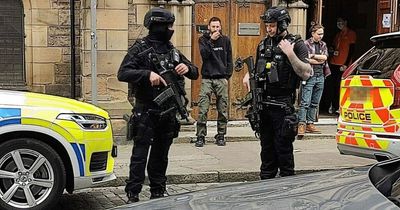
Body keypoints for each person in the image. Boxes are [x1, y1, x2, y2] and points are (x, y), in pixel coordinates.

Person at [118, 7, 198, 203]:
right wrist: (147, 75)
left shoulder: (172, 51)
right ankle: (133, 192)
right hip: (146, 110)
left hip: (168, 112)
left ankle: (158, 189)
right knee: (140, 154)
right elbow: (123, 73)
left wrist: (186, 67)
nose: (171, 29)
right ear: (157, 26)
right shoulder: (140, 49)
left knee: (161, 155)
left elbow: (195, 72)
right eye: (168, 26)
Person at [242, 7, 312, 179]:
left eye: (272, 25)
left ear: (282, 24)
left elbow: (306, 72)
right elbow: (259, 67)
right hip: (264, 105)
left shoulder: (297, 43)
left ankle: (286, 186)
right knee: (266, 149)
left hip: (282, 106)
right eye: (267, 26)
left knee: (284, 150)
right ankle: (266, 183)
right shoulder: (263, 44)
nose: (269, 29)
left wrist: (290, 54)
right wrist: (248, 75)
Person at [195, 17, 233, 147]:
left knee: (222, 108)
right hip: (207, 78)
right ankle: (200, 136)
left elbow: (229, 59)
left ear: (220, 27)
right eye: (213, 27)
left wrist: (227, 76)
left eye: (217, 27)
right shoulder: (203, 40)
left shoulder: (226, 40)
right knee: (203, 108)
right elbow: (204, 55)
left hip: (221, 78)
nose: (216, 29)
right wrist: (211, 41)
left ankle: (221, 135)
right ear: (209, 27)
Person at [297, 23, 330, 136]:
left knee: (315, 102)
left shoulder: (323, 44)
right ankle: (301, 123)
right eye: (319, 34)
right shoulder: (305, 44)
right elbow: (305, 59)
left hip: (320, 75)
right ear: (313, 33)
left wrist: (313, 56)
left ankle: (310, 123)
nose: (321, 36)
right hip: (309, 75)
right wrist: (317, 59)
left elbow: (325, 58)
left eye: (322, 34)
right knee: (305, 101)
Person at [321, 17, 356, 115]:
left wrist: (346, 64)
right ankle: (334, 106)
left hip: (343, 64)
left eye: (341, 21)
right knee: (332, 86)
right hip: (333, 63)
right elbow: (333, 45)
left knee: (340, 86)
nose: (339, 23)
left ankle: (340, 107)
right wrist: (331, 49)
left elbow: (352, 50)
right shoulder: (338, 34)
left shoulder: (351, 34)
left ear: (346, 22)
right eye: (338, 22)